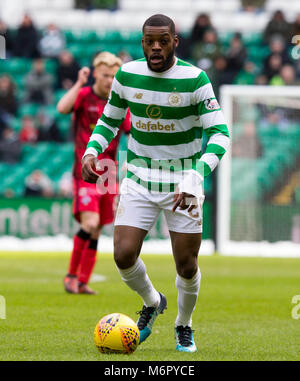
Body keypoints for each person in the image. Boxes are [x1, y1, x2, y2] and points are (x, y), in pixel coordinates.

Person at [81, 14, 230, 352]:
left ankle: (183, 324)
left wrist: (196, 176)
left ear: (175, 41)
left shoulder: (195, 79)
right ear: (142, 42)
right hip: (140, 179)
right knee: (123, 253)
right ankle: (152, 301)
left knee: (187, 264)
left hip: (184, 183)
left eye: (164, 40)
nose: (157, 47)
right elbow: (109, 121)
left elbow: (220, 134)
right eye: (151, 41)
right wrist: (92, 151)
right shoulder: (127, 74)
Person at [57, 52, 131, 295]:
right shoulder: (84, 95)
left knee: (98, 228)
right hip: (86, 172)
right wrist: (79, 82)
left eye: (113, 76)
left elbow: (135, 131)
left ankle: (82, 281)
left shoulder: (119, 104)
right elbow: (61, 108)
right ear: (96, 74)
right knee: (91, 223)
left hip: (109, 176)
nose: (110, 80)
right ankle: (70, 276)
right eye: (106, 75)